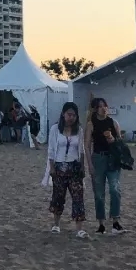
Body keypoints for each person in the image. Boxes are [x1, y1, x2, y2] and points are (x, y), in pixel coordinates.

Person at [84, 97, 127, 235]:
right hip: (98, 158)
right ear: (95, 109)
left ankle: (115, 222)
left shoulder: (113, 123)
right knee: (99, 193)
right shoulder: (91, 124)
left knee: (115, 189)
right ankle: (101, 224)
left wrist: (113, 140)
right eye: (100, 106)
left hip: (112, 159)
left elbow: (120, 142)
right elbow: (87, 145)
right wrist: (89, 164)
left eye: (105, 106)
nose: (103, 108)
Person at [45, 102, 88, 238]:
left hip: (74, 167)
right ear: (63, 114)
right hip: (59, 167)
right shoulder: (55, 129)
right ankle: (56, 224)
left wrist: (82, 167)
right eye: (69, 114)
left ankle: (79, 229)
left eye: (74, 115)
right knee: (58, 196)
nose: (71, 117)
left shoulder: (79, 130)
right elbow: (51, 149)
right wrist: (52, 167)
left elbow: (81, 150)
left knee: (78, 197)